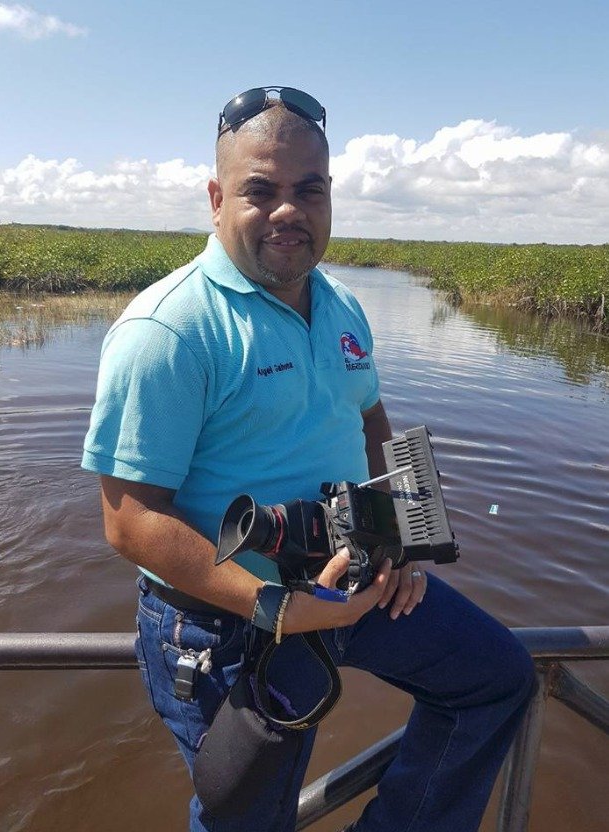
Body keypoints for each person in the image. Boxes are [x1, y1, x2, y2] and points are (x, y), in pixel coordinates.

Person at [82, 86, 536, 832]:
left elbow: (369, 418)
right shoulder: (168, 329)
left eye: (309, 189)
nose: (288, 211)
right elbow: (129, 523)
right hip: (227, 623)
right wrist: (277, 608)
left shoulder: (342, 305)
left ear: (329, 198)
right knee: (247, 816)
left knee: (495, 680)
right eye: (261, 190)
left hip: (350, 583)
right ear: (216, 197)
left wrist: (401, 542)